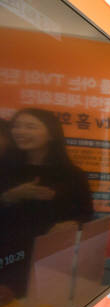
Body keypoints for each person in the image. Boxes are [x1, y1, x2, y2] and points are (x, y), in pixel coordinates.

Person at [0, 108, 93, 296]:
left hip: (53, 257)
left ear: (51, 134)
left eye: (30, 126)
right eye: (17, 126)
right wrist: (11, 196)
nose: (21, 132)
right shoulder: (4, 168)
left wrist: (74, 224)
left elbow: (86, 213)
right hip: (8, 258)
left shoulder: (71, 174)